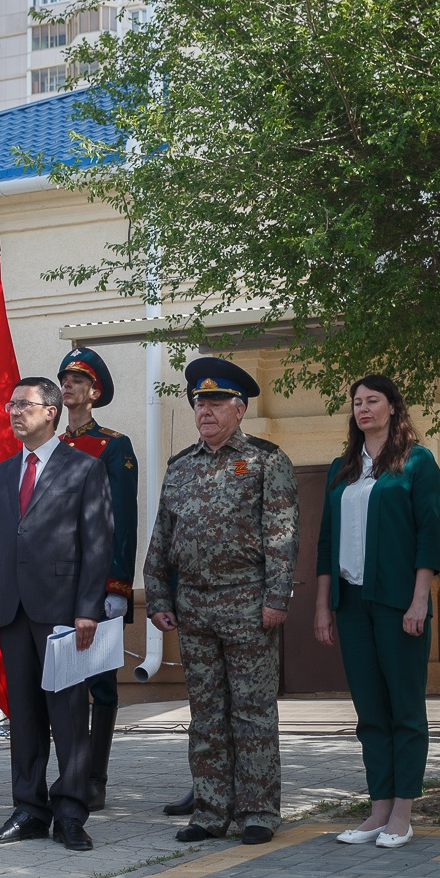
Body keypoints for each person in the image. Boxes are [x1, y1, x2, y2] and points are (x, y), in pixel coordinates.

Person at [145, 357, 298, 845]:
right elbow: (162, 536)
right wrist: (157, 594)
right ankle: (211, 811)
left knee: (252, 711)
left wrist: (277, 598)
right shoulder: (180, 466)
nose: (204, 410)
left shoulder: (265, 460)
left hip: (248, 603)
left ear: (240, 408)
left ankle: (257, 812)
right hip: (193, 607)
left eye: (215, 402)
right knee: (205, 711)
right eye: (198, 402)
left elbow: (281, 536)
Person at [0, 376, 115, 853]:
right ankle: (29, 809)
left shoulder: (85, 468)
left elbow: (98, 545)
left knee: (70, 715)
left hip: (63, 614)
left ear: (51, 411)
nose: (13, 412)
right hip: (12, 612)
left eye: (23, 405)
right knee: (25, 716)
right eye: (9, 404)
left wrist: (87, 609)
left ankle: (71, 812)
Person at [314, 375, 440, 850]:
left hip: (397, 603)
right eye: (356, 402)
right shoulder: (341, 468)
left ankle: (403, 814)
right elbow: (327, 541)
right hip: (350, 604)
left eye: (373, 400)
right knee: (370, 711)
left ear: (392, 407)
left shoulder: (418, 462)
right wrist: (324, 606)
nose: (363, 408)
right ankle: (377, 810)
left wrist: (419, 598)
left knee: (404, 709)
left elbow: (430, 534)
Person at [57, 346, 138, 810]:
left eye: (78, 380)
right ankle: (69, 772)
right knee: (63, 681)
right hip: (55, 583)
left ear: (95, 391)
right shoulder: (50, 446)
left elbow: (121, 519)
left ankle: (96, 777)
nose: (69, 385)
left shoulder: (112, 444)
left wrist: (117, 586)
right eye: (65, 379)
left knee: (100, 683)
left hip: (97, 583)